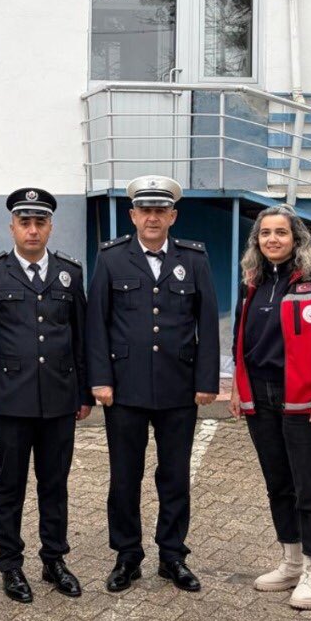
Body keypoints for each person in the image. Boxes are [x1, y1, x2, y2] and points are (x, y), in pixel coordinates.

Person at [86, 175, 220, 594]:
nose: (153, 218)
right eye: (145, 210)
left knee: (175, 476)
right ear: (133, 215)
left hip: (178, 387)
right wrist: (100, 379)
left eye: (161, 211)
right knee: (125, 477)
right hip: (125, 389)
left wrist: (206, 380)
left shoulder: (193, 259)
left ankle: (172, 555)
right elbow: (96, 323)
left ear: (173, 216)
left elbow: (207, 322)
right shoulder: (111, 258)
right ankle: (127, 555)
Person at [229, 205, 311, 611]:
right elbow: (240, 337)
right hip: (260, 397)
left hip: (305, 399)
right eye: (265, 233)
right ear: (257, 241)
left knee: (308, 488)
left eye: (281, 232)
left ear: (296, 238)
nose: (273, 239)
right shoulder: (253, 281)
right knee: (278, 484)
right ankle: (291, 562)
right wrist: (238, 389)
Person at [0, 188, 92, 603]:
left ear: (50, 227)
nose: (32, 230)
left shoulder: (69, 273)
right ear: (12, 227)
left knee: (54, 483)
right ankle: (10, 564)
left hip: (59, 398)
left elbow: (81, 336)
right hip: (10, 399)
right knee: (10, 485)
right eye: (24, 222)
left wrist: (84, 392)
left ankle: (54, 559)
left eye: (40, 222)